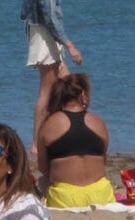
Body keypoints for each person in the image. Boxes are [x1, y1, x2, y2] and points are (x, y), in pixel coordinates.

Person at [20, 0, 83, 140]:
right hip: (45, 37)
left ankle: (68, 128)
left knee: (69, 84)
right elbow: (51, 19)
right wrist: (70, 46)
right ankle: (38, 141)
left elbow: (23, 13)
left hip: (43, 35)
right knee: (46, 91)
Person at [35, 73, 114, 208]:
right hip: (101, 196)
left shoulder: (50, 123)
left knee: (42, 181)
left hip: (65, 198)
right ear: (83, 95)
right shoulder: (98, 122)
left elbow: (43, 167)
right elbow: (103, 161)